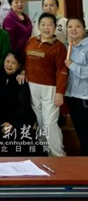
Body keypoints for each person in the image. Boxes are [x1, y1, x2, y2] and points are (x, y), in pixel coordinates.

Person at [23, 13, 68, 157]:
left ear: (55, 27)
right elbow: (26, 61)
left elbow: (62, 70)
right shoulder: (31, 41)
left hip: (50, 88)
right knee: (41, 121)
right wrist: (23, 72)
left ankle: (58, 156)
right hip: (32, 86)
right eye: (43, 24)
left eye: (49, 24)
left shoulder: (59, 47)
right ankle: (46, 152)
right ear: (38, 26)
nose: (46, 28)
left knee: (50, 123)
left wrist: (60, 92)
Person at [0, 52, 36, 154]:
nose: (9, 65)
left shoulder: (20, 79)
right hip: (2, 117)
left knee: (19, 131)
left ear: (18, 66)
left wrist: (11, 123)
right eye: (7, 61)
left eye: (13, 63)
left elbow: (23, 106)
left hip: (19, 118)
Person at [64, 17, 88, 156]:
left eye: (77, 26)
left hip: (84, 96)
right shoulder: (66, 46)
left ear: (84, 29)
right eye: (70, 26)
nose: (73, 29)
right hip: (71, 95)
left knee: (86, 136)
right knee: (80, 133)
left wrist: (73, 65)